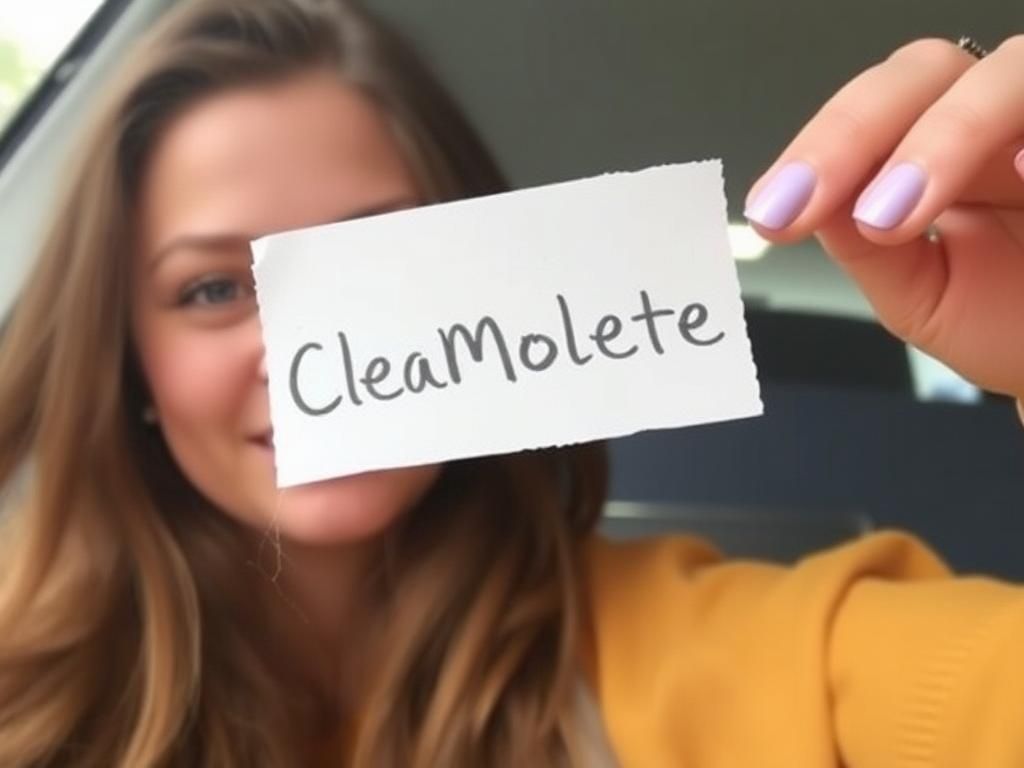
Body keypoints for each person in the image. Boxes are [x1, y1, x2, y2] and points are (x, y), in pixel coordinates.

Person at [0, 0, 1019, 764]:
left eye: (380, 260)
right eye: (215, 287)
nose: (306, 350)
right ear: (127, 360)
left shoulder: (743, 653)